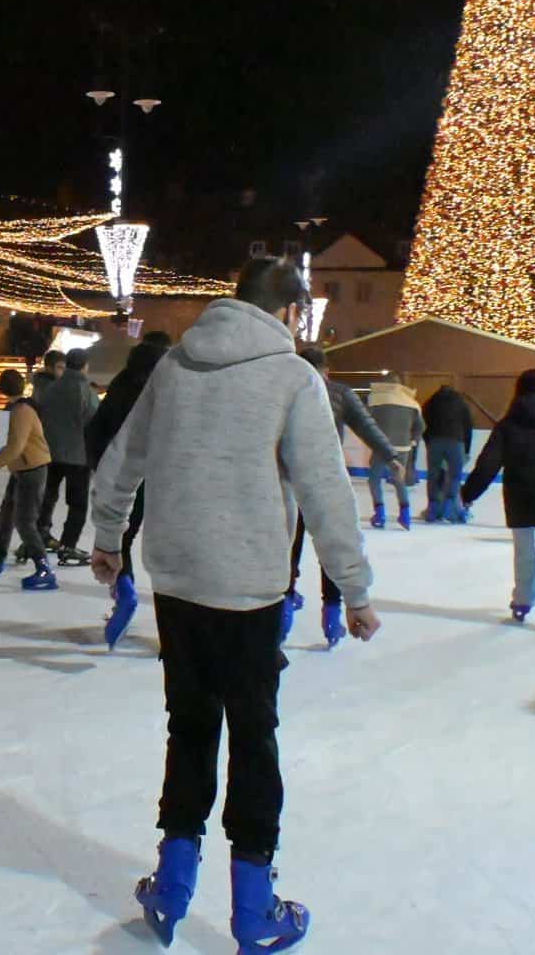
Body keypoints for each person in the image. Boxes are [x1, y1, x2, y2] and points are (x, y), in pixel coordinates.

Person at [89, 258, 376, 950]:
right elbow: (325, 491)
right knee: (252, 737)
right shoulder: (292, 376)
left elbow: (126, 455)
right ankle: (253, 910)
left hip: (179, 579)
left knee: (188, 727)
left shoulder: (176, 365)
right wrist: (355, 587)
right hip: (246, 587)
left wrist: (107, 535)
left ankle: (173, 888)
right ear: (287, 310)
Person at [294, 348, 401, 646]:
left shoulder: (285, 390)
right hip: (324, 480)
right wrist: (390, 455)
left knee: (289, 546)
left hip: (287, 483)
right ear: (325, 370)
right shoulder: (338, 392)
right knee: (333, 546)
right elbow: (367, 426)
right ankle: (331, 617)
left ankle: (282, 614)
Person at [461, 369, 535, 631]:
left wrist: (468, 493)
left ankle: (522, 600)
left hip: (521, 496)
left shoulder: (507, 425)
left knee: (524, 553)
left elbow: (488, 463)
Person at [85, 332, 171, 648]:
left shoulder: (121, 385)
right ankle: (174, 625)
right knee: (168, 550)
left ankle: (125, 589)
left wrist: (100, 469)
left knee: (121, 538)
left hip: (123, 475)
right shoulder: (171, 387)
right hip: (165, 479)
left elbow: (96, 429)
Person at [0, 369, 56, 588]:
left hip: (31, 472)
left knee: (24, 522)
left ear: (2, 389)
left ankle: (45, 570)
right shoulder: (21, 408)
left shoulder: (22, 411)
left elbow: (15, 448)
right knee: (6, 517)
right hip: (22, 471)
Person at [36, 347, 100, 563]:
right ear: (84, 366)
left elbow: (41, 414)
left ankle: (38, 537)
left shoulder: (52, 389)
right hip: (78, 456)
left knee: (48, 497)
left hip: (50, 453)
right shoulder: (86, 391)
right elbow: (94, 422)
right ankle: (68, 545)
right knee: (77, 503)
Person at [366, 374, 424, 528]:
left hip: (381, 446)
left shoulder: (376, 400)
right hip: (402, 449)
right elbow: (420, 427)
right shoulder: (412, 403)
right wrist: (412, 441)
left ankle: (380, 514)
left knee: (374, 479)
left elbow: (366, 422)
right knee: (399, 480)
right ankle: (405, 516)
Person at [420, 383, 473, 524]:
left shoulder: (430, 403)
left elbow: (422, 425)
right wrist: (467, 449)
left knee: (433, 475)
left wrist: (428, 442)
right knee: (455, 476)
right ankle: (449, 507)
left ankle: (432, 508)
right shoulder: (461, 404)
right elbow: (468, 427)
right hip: (456, 442)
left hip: (435, 442)